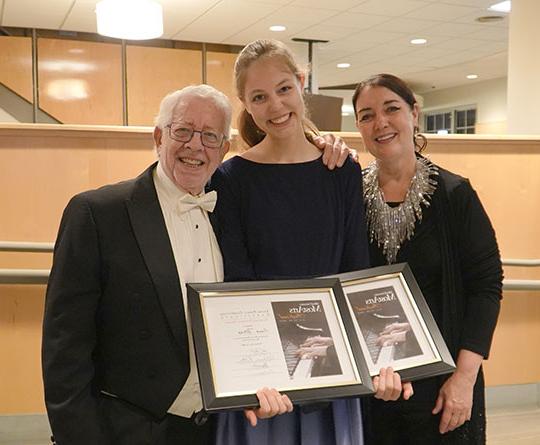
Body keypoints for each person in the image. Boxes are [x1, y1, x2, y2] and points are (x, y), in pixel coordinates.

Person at [41, 83, 358, 445]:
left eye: (210, 136)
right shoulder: (99, 213)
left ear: (224, 149)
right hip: (125, 429)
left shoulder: (231, 209)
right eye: (183, 131)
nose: (195, 145)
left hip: (215, 429)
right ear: (159, 136)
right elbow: (64, 347)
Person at [211, 39, 410, 445]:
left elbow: (356, 269)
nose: (276, 106)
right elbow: (237, 281)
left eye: (284, 89)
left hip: (333, 366)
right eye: (259, 97)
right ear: (245, 104)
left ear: (302, 83)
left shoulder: (341, 170)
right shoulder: (231, 179)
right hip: (265, 375)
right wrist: (264, 364)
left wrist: (375, 360)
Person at [352, 73, 503, 444]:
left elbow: (486, 288)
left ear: (414, 113)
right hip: (374, 385)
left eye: (391, 109)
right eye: (367, 115)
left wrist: (464, 379)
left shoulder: (455, 195)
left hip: (443, 387)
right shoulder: (349, 197)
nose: (380, 123)